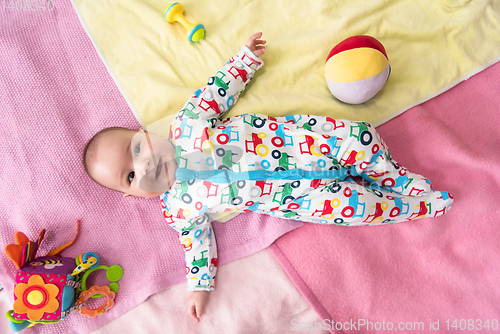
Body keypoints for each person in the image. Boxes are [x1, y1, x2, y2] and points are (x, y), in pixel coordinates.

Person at [83, 32, 453, 322]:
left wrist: (245, 60)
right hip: (301, 197)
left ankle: (395, 179)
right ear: (132, 195)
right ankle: (414, 204)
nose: (145, 166)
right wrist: (200, 286)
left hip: (306, 143)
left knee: (362, 137)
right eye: (130, 176)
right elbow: (197, 247)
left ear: (146, 134)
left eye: (136, 150)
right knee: (355, 208)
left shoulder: (188, 124)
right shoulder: (179, 209)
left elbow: (216, 91)